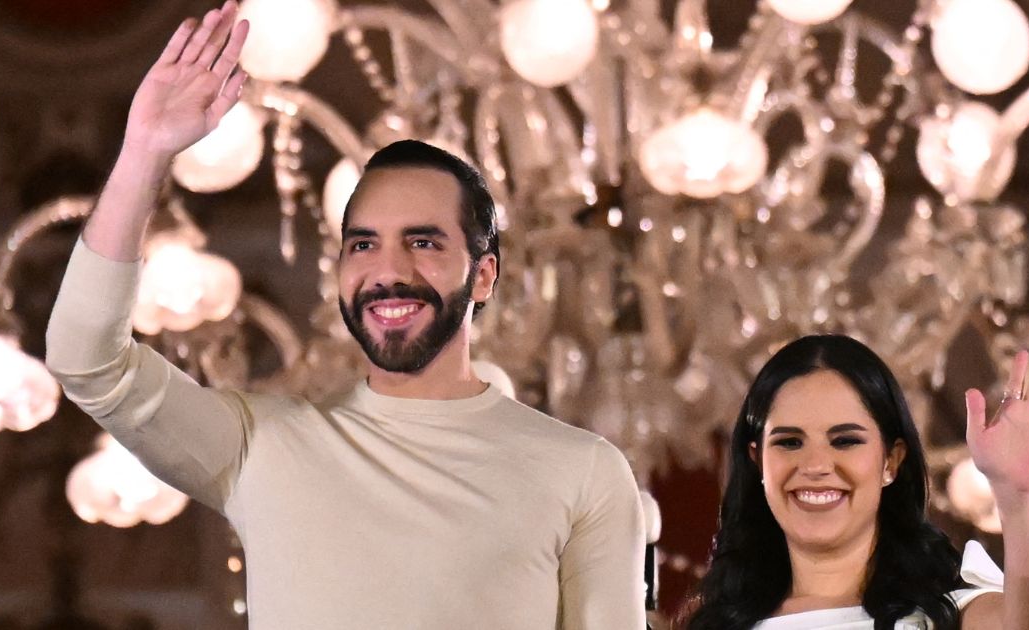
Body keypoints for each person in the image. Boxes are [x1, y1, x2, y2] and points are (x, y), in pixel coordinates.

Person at [43, 3, 646, 628]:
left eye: (424, 242)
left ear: (484, 273)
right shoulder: (261, 447)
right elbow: (88, 359)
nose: (387, 270)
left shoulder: (583, 472)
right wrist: (144, 152)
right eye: (363, 244)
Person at [684, 335, 1029, 629]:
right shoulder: (715, 619)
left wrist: (1017, 493)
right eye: (789, 442)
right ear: (757, 461)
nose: (816, 464)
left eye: (845, 441)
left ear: (891, 461)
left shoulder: (947, 608)